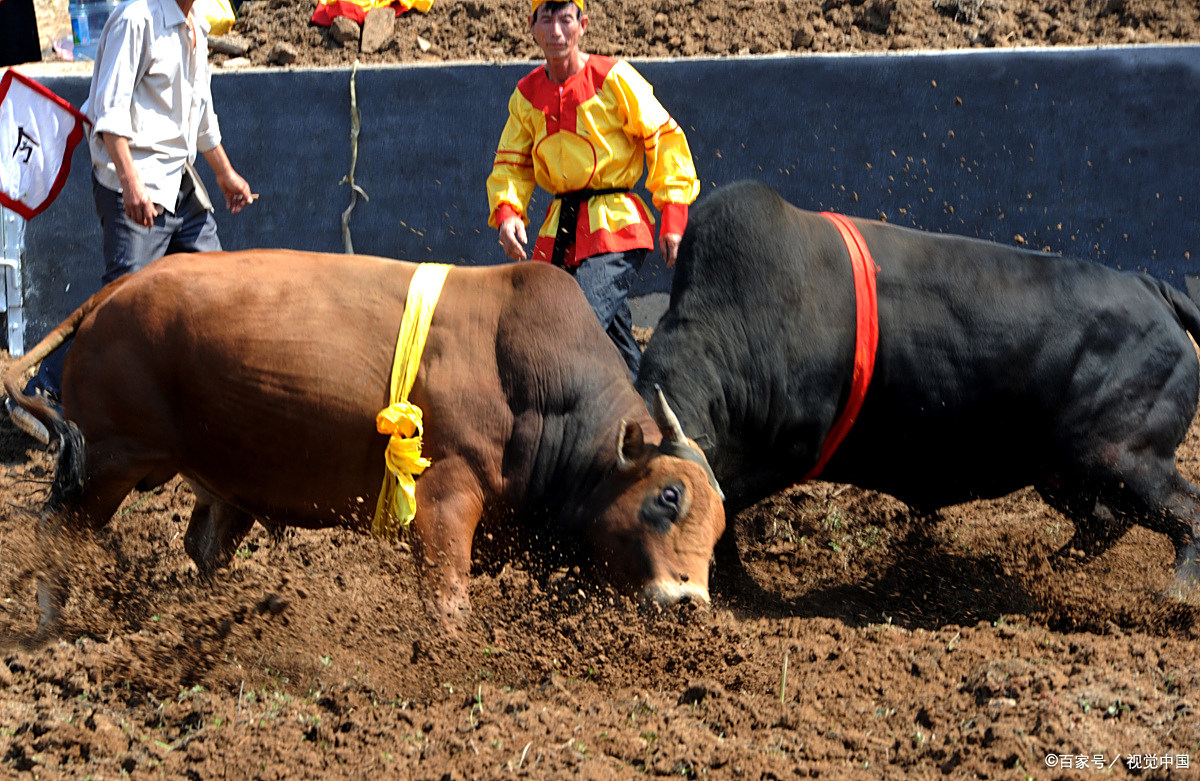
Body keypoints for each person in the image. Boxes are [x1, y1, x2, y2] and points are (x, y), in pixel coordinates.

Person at [6, 0, 254, 444]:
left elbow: (200, 116)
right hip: (133, 181)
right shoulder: (136, 17)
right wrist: (131, 184)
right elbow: (109, 114)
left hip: (178, 181)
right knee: (121, 300)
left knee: (216, 287)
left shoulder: (194, 24)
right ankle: (42, 391)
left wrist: (224, 172)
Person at [486, 0, 699, 377]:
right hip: (561, 232)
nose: (556, 31)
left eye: (565, 20)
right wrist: (508, 213)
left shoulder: (614, 77)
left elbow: (664, 138)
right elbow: (511, 164)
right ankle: (644, 412)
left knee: (569, 319)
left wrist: (674, 215)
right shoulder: (526, 94)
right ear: (530, 26)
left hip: (614, 224)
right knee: (613, 343)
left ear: (582, 25)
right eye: (546, 20)